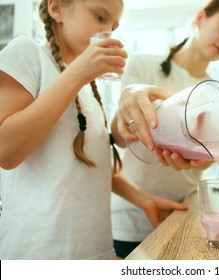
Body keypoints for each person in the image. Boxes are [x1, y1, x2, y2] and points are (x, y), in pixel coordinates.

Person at [0, 0, 187, 260]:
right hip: (38, 254)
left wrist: (145, 200)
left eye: (114, 26)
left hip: (91, 253)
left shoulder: (88, 93)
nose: (108, 31)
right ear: (57, 8)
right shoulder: (27, 53)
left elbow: (91, 166)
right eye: (100, 17)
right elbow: (5, 151)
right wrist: (78, 73)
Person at [110, 0, 219, 258]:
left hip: (183, 212)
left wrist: (199, 162)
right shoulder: (143, 66)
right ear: (200, 18)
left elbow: (211, 157)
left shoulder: (217, 94)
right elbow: (120, 138)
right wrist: (129, 100)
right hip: (132, 214)